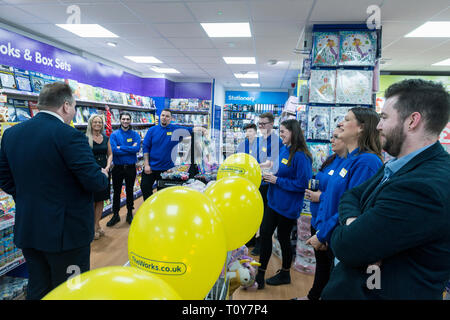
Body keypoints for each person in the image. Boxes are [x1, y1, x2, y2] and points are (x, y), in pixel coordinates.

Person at [321, 79, 450, 300]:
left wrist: (350, 233)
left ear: (412, 121)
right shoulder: (400, 164)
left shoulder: (424, 186)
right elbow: (351, 195)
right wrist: (354, 222)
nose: (378, 126)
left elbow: (346, 246)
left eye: (384, 118)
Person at [0, 82, 108, 300]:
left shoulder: (11, 134)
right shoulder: (70, 136)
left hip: (29, 228)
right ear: (66, 106)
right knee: (71, 291)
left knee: (38, 287)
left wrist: (27, 196)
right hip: (66, 234)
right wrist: (103, 175)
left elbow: (4, 178)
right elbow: (95, 183)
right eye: (75, 107)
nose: (75, 112)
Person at [255, 119, 312, 289]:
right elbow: (277, 168)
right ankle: (260, 274)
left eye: (283, 132)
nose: (280, 135)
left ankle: (285, 273)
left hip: (288, 206)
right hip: (273, 202)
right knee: (265, 234)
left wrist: (277, 180)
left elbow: (302, 184)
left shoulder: (302, 156)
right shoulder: (283, 149)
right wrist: (267, 172)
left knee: (283, 238)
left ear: (293, 132)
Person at [294, 126, 347, 300]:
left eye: (336, 137)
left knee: (330, 269)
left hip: (330, 227)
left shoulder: (353, 163)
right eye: (332, 136)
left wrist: (320, 197)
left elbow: (343, 198)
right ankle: (313, 296)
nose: (332, 140)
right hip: (318, 221)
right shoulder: (332, 160)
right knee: (322, 267)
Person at [140, 108, 206, 200]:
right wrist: (146, 165)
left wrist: (202, 129)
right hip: (150, 168)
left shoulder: (176, 130)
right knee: (145, 188)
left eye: (167, 116)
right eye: (163, 115)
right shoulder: (152, 130)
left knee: (164, 195)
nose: (164, 118)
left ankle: (160, 211)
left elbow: (190, 129)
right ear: (160, 116)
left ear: (171, 119)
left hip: (166, 170)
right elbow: (146, 147)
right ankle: (149, 208)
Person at [250, 113, 283, 256]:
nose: (261, 126)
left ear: (272, 124)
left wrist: (255, 165)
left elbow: (271, 163)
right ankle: (252, 238)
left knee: (263, 215)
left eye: (264, 124)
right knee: (255, 212)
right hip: (256, 181)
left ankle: (260, 242)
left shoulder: (276, 141)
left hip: (267, 183)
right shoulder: (259, 140)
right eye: (259, 124)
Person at [107, 112, 141, 226]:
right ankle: (115, 214)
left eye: (127, 119)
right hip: (118, 168)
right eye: (123, 119)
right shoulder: (114, 135)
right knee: (116, 191)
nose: (125, 121)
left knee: (130, 190)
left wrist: (120, 147)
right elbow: (114, 151)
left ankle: (129, 213)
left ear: (130, 121)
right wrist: (128, 148)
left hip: (130, 167)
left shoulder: (135, 134)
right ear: (120, 120)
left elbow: (136, 149)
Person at [85, 114, 112, 240]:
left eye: (100, 122)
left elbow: (110, 154)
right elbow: (85, 156)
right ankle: (92, 227)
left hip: (104, 172)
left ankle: (96, 225)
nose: (97, 124)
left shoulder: (106, 138)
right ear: (91, 123)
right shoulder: (85, 138)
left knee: (101, 199)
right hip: (92, 171)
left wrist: (107, 166)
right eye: (95, 122)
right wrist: (97, 168)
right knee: (92, 200)